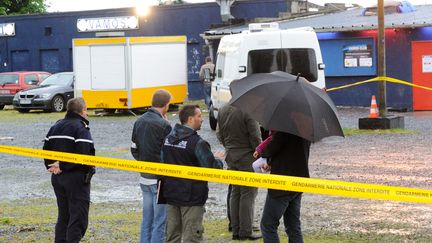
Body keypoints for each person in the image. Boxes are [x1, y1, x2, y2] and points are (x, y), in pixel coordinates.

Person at [161, 104, 224, 243]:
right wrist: (218, 160)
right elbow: (213, 169)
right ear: (190, 119)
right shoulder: (197, 143)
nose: (202, 120)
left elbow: (162, 162)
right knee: (192, 238)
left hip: (171, 193)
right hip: (191, 197)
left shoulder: (168, 139)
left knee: (171, 237)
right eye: (199, 116)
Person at [43, 97, 96, 243]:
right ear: (83, 110)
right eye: (86, 111)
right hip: (76, 179)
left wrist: (51, 165)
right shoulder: (80, 128)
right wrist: (63, 166)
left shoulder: (56, 126)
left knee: (64, 216)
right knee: (78, 218)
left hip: (57, 178)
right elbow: (84, 155)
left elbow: (45, 150)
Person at [131, 89, 172, 243]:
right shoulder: (164, 125)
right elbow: (169, 152)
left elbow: (133, 148)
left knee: (147, 219)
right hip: (160, 180)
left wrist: (143, 162)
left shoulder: (138, 121)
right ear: (166, 105)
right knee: (160, 221)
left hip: (144, 177)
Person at [216, 104, 262, 241]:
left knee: (235, 192)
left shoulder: (223, 109)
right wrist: (259, 152)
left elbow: (219, 133)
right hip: (247, 156)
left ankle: (236, 229)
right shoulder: (248, 109)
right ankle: (246, 231)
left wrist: (228, 147)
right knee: (248, 194)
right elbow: (255, 135)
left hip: (231, 154)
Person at [259, 131, 311, 243]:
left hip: (282, 184)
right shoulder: (306, 127)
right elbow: (289, 151)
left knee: (268, 225)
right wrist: (272, 162)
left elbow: (274, 146)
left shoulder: (285, 128)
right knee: (293, 226)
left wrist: (263, 153)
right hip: (298, 181)